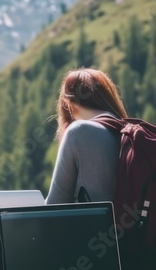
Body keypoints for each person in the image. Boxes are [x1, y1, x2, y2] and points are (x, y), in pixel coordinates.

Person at [46, 68, 129, 204]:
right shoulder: (127, 132)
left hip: (95, 226)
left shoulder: (79, 132)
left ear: (68, 103)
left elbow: (55, 204)